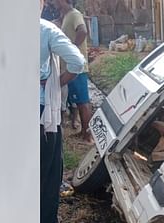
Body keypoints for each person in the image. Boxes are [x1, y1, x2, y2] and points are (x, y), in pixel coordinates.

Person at [41, 0, 86, 223]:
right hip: (41, 111)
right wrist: (55, 83)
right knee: (48, 170)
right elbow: (77, 62)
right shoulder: (46, 29)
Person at [53, 0, 93, 144]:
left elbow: (83, 31)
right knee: (78, 100)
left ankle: (87, 136)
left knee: (83, 101)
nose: (54, 2)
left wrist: (72, 50)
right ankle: (83, 132)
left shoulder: (75, 14)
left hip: (77, 68)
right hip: (71, 67)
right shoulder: (67, 16)